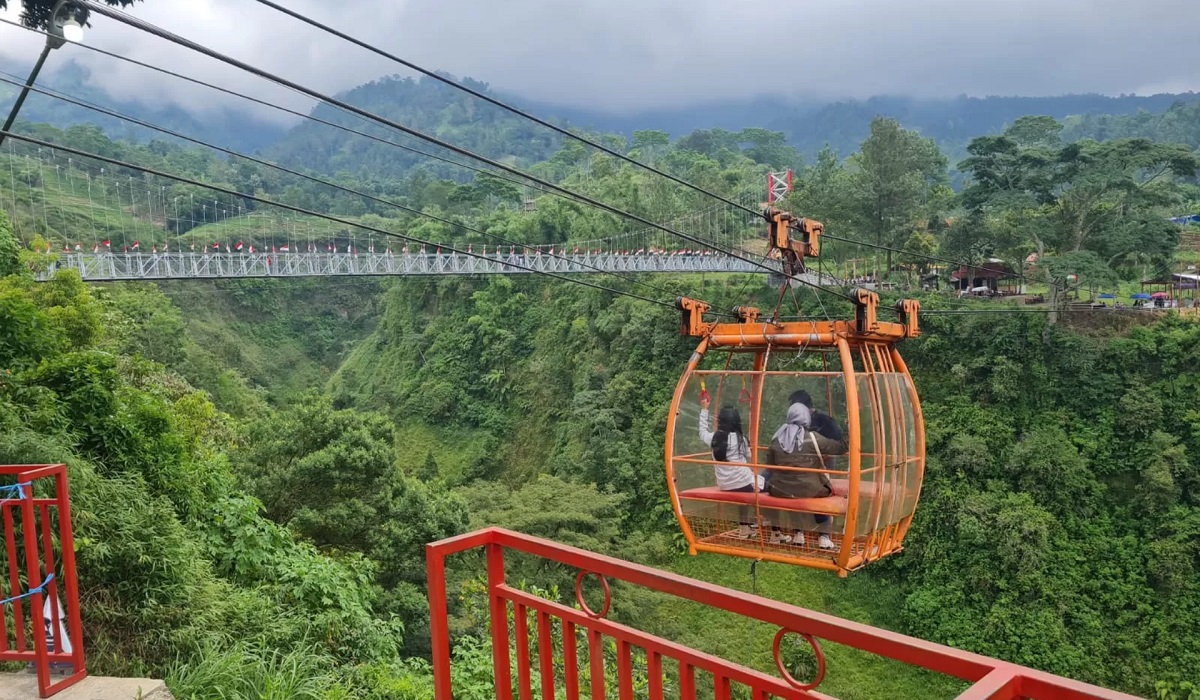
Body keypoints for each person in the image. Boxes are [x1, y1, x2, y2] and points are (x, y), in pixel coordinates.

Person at [765, 403, 848, 550]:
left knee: (791, 492)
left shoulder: (777, 439)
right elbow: (840, 447)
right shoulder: (812, 438)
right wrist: (849, 429)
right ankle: (824, 537)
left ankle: (798, 534)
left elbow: (769, 465)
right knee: (820, 494)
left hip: (780, 489)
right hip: (809, 489)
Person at [698, 397, 768, 539]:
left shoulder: (714, 438)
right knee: (769, 480)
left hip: (725, 484)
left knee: (744, 491)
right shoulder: (739, 438)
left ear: (720, 421)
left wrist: (704, 409)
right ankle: (771, 525)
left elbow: (702, 432)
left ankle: (744, 528)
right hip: (743, 482)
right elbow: (749, 456)